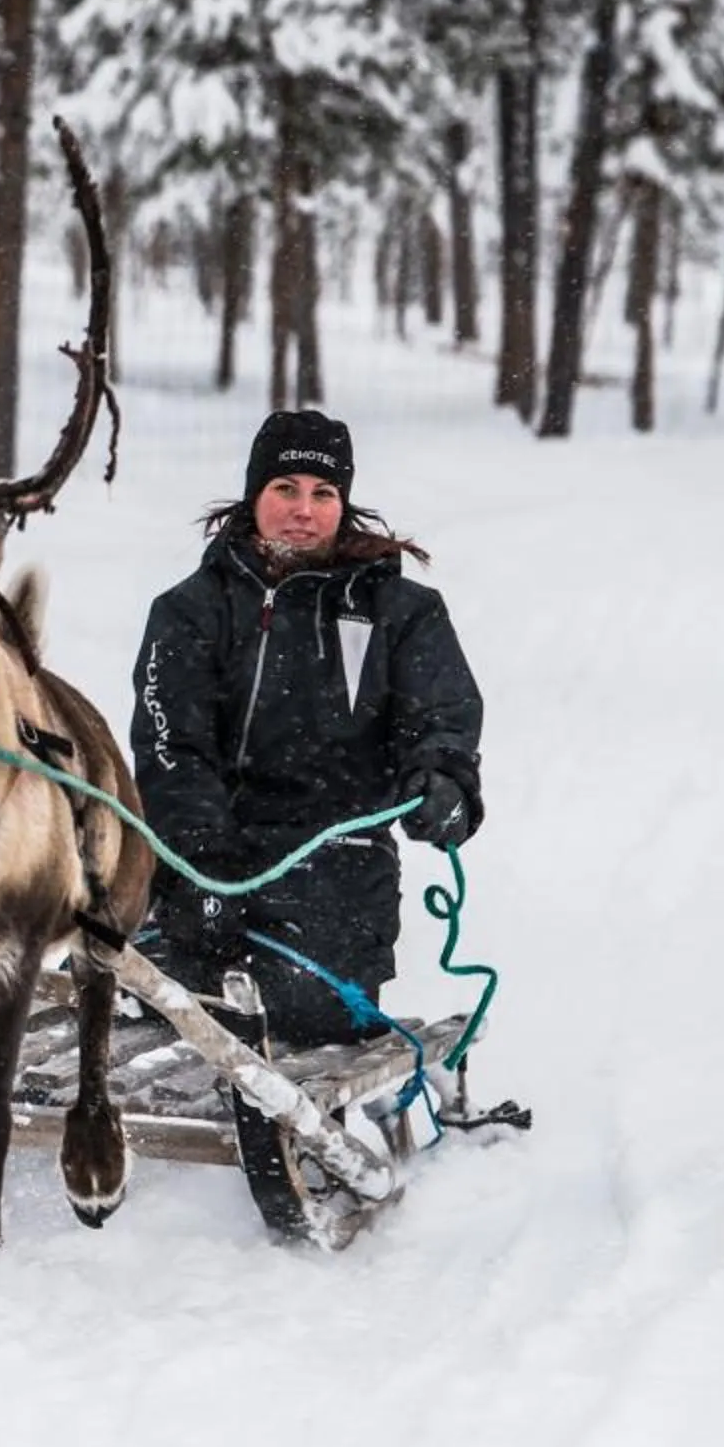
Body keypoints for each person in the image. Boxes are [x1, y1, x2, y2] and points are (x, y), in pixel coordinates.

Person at [128, 408, 484, 1049]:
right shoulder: (188, 611)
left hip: (338, 870)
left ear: (342, 505)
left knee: (295, 1010)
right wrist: (201, 871)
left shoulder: (399, 612)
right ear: (254, 496)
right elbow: (170, 749)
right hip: (205, 855)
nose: (304, 509)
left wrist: (444, 779)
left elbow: (442, 716)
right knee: (130, 980)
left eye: (324, 494)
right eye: (285, 489)